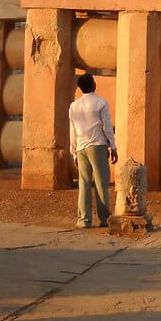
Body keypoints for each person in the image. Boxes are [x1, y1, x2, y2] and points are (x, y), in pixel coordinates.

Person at [68, 72, 117, 228]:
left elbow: (72, 130)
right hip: (97, 145)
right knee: (101, 183)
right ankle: (104, 218)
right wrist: (113, 146)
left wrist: (74, 151)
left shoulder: (73, 106)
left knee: (84, 183)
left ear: (80, 88)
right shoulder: (101, 102)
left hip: (81, 147)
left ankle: (83, 219)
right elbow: (107, 127)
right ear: (94, 85)